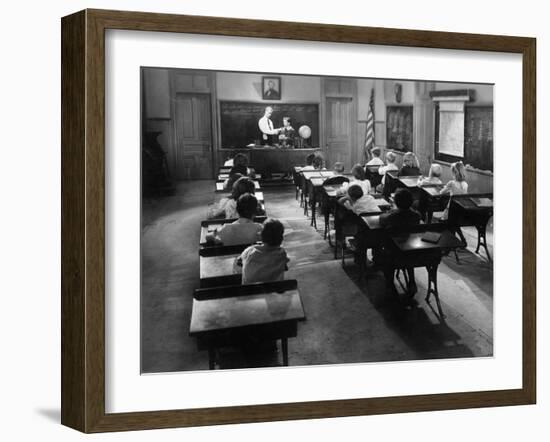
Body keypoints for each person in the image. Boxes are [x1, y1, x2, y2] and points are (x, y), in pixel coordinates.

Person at [378, 188, 421, 295]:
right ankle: (411, 282)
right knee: (406, 252)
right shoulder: (417, 216)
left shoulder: (390, 217)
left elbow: (381, 219)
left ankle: (389, 283)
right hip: (411, 250)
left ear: (396, 202)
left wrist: (392, 211)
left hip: (393, 253)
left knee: (381, 250)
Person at [235, 218, 289, 284]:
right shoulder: (281, 253)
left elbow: (238, 261)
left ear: (262, 236)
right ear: (281, 238)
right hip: (273, 291)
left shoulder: (250, 251)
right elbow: (285, 266)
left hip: (249, 292)